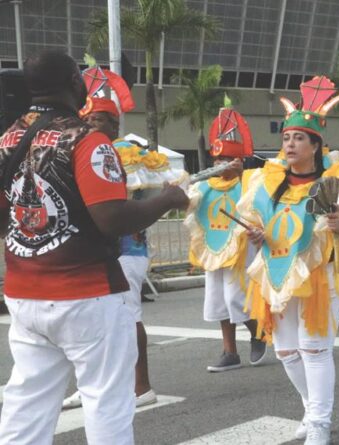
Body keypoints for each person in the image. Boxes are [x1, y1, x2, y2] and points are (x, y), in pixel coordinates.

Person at [0, 50, 188, 445]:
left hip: (24, 293)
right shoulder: (88, 141)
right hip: (88, 295)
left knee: (27, 400)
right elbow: (113, 219)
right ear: (73, 81)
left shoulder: (7, 139)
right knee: (106, 402)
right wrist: (167, 200)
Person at [237, 76, 339, 445]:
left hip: (324, 272)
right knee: (285, 351)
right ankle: (312, 409)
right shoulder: (267, 185)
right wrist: (258, 236)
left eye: (298, 138)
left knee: (314, 348)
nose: (290, 143)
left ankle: (319, 425)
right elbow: (267, 227)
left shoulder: (337, 183)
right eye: (286, 137)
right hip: (278, 270)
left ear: (316, 145)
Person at [62, 66, 187, 409]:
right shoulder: (82, 150)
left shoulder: (129, 155)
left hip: (127, 250)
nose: (89, 126)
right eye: (86, 120)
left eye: (97, 121)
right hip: (94, 251)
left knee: (128, 317)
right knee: (89, 322)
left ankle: (141, 386)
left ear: (114, 125)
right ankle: (90, 385)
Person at [184, 101, 268, 372]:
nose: (221, 165)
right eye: (217, 160)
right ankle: (229, 351)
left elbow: (260, 209)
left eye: (227, 160)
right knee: (218, 301)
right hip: (214, 247)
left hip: (241, 250)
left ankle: (258, 332)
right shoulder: (203, 185)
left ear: (239, 161)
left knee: (236, 298)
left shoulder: (249, 182)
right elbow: (191, 209)